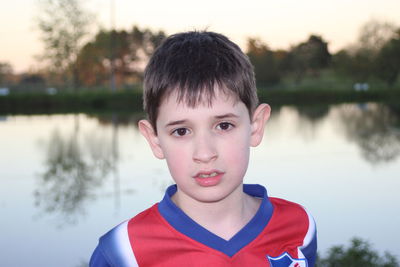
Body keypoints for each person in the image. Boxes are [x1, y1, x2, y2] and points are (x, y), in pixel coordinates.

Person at [89, 31, 317, 267]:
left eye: (224, 125)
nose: (205, 153)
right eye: (181, 131)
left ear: (256, 126)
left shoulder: (299, 225)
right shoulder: (122, 251)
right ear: (154, 140)